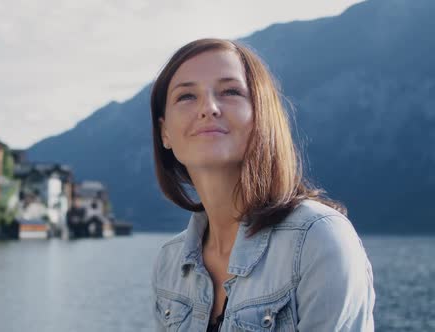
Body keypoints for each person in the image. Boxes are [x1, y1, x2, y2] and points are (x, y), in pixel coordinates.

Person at [150, 38, 375, 331]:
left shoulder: (317, 240)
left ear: (261, 116)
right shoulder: (170, 262)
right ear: (165, 132)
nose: (208, 108)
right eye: (186, 96)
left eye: (230, 91)